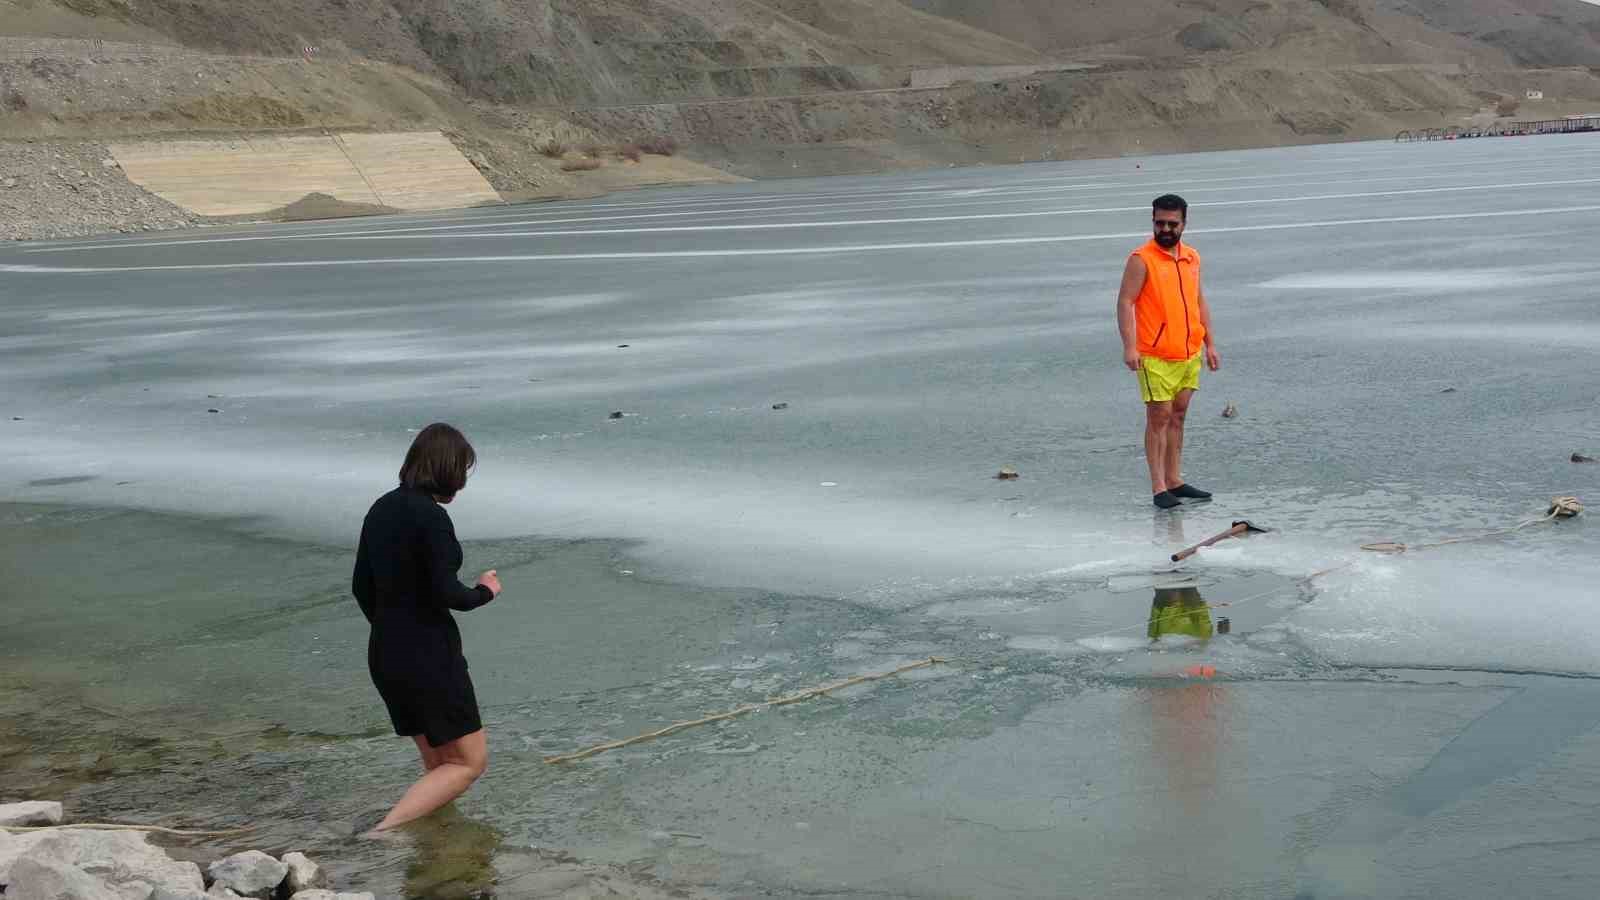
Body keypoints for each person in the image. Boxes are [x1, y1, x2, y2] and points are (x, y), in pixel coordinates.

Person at [353, 423, 503, 832]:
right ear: (448, 469)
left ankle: (434, 843)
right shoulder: (431, 518)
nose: (463, 481)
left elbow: (360, 587)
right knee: (470, 763)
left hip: (385, 651)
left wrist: (394, 629)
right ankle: (383, 833)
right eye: (463, 470)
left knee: (440, 763)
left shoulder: (381, 508)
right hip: (427, 656)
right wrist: (485, 591)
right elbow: (448, 593)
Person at [1115, 194, 1221, 509]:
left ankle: (1175, 479)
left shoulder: (1191, 258)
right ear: (1153, 221)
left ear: (1184, 224)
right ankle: (1159, 487)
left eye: (1172, 224)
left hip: (1188, 353)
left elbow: (1198, 300)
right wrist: (1129, 346)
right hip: (1154, 355)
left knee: (1178, 415)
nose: (1165, 229)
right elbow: (1125, 302)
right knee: (1158, 416)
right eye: (1159, 222)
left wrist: (1210, 342)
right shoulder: (1141, 258)